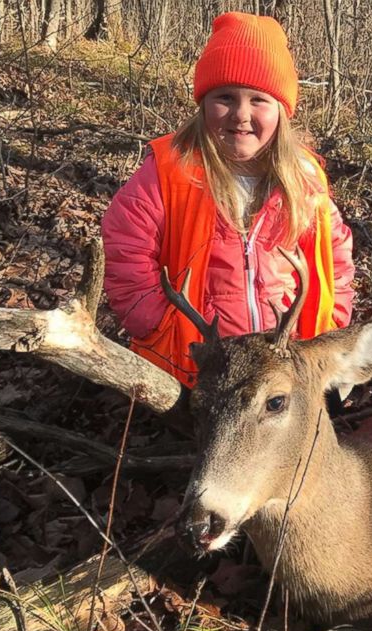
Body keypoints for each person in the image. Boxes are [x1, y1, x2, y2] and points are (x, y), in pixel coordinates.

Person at [102, 12, 355, 388]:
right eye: (224, 97)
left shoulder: (303, 180)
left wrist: (329, 326)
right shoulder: (171, 171)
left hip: (281, 364)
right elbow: (126, 248)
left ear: (282, 112)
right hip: (195, 363)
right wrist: (157, 324)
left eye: (259, 100)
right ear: (203, 104)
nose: (241, 115)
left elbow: (335, 261)